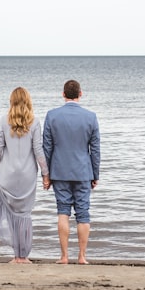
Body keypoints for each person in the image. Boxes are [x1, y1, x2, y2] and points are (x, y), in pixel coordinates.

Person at [42, 79, 100, 265]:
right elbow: (95, 149)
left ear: (63, 94)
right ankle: (82, 256)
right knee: (83, 214)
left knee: (63, 212)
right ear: (80, 94)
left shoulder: (52, 116)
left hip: (59, 171)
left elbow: (47, 148)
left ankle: (64, 256)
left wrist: (46, 174)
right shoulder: (90, 117)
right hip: (83, 171)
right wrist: (95, 174)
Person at [0, 86, 49, 263]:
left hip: (6, 175)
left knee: (11, 215)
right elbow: (38, 150)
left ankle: (16, 256)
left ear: (12, 101)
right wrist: (46, 174)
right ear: (28, 101)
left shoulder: (3, 120)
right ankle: (23, 257)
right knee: (24, 215)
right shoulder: (35, 121)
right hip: (27, 176)